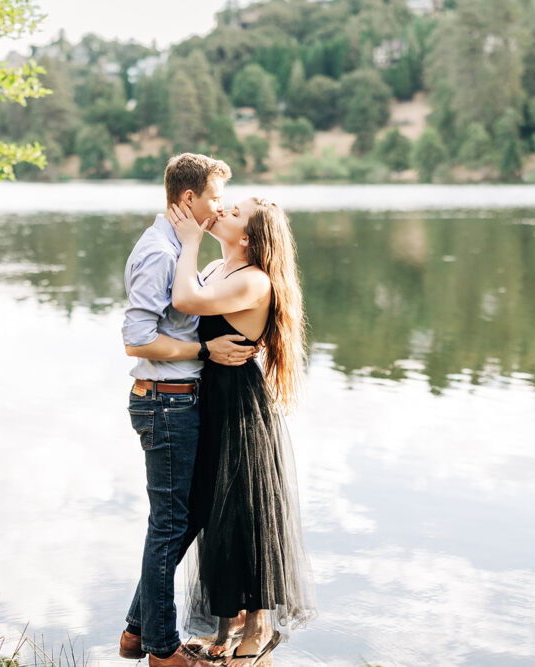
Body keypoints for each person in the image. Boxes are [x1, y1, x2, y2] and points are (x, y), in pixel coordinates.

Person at [166, 196, 317, 667]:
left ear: (247, 237)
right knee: (214, 510)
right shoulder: (215, 266)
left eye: (233, 213)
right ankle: (226, 625)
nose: (221, 211)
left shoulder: (254, 281)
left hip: (239, 405)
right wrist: (205, 349)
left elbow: (185, 300)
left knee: (245, 511)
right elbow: (192, 322)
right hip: (209, 398)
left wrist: (188, 238)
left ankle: (257, 627)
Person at [120, 153, 258, 667]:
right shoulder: (161, 251)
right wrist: (205, 351)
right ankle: (161, 649)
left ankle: (139, 632)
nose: (220, 206)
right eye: (216, 197)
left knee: (182, 519)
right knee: (170, 525)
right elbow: (136, 340)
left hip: (176, 402)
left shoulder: (180, 247)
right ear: (188, 199)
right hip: (164, 402)